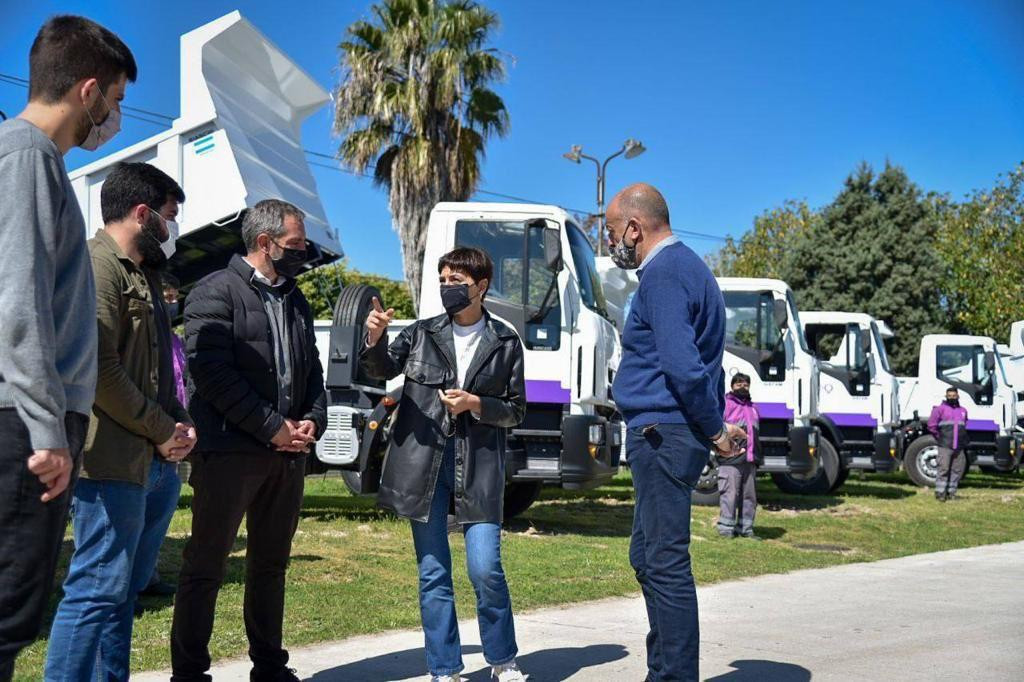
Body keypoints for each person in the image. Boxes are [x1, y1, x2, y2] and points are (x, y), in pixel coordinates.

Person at [0, 16, 135, 680]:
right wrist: (47, 430)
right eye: (113, 101)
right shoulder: (25, 157)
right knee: (8, 611)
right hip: (24, 427)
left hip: (33, 421)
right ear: (88, 92)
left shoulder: (34, 162)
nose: (112, 118)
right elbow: (17, 306)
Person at [44, 162, 196, 679]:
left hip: (153, 463)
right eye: (169, 218)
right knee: (93, 591)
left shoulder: (147, 275)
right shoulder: (96, 266)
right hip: (108, 459)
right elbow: (100, 367)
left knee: (120, 592)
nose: (172, 230)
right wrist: (161, 428)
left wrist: (180, 423)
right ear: (142, 213)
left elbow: (157, 366)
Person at [171, 199, 326, 682]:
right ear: (265, 243)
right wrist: (270, 427)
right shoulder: (214, 292)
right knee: (206, 566)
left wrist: (310, 422)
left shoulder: (296, 299)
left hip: (287, 458)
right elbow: (212, 375)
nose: (305, 254)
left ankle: (269, 666)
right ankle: (190, 673)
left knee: (271, 566)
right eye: (296, 246)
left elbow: (313, 374)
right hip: (229, 455)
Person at [361, 247, 527, 682]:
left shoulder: (506, 340)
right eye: (443, 279)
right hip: (423, 464)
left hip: (480, 467)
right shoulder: (420, 333)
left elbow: (516, 409)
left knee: (485, 567)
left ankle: (503, 659)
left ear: (482, 286)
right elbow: (379, 370)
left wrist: (476, 404)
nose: (448, 288)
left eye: (458, 281)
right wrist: (374, 337)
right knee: (433, 572)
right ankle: (444, 668)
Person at [607, 183, 744, 682]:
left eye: (609, 230)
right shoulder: (688, 268)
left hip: (663, 432)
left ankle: (673, 676)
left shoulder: (664, 273)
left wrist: (713, 430)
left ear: (634, 228)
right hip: (666, 431)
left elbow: (685, 368)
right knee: (646, 557)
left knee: (663, 562)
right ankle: (663, 669)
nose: (609, 241)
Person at [717, 373, 760, 539]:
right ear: (732, 385)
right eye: (739, 383)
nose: (743, 387)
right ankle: (726, 529)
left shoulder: (753, 408)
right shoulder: (726, 404)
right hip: (730, 459)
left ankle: (746, 529)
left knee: (749, 496)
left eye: (746, 384)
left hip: (749, 460)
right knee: (729, 493)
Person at [927, 387, 969, 501]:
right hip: (945, 445)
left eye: (954, 396)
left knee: (956, 470)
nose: (951, 398)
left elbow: (964, 426)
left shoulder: (963, 411)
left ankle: (952, 493)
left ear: (958, 396)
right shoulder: (939, 409)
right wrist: (939, 437)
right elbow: (931, 425)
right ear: (946, 396)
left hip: (959, 447)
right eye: (949, 396)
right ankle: (940, 493)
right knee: (943, 469)